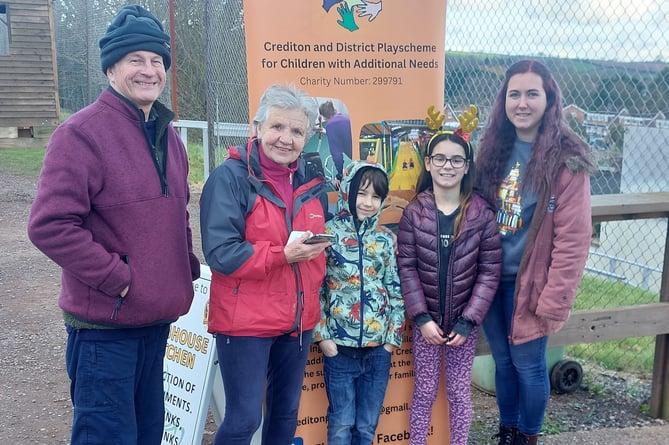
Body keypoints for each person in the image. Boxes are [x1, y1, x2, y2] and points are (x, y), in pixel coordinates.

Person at [27, 5, 201, 444]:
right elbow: (50, 225)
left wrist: (185, 267)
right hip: (105, 332)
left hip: (156, 323)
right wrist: (118, 278)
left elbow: (175, 213)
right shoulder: (81, 134)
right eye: (136, 60)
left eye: (157, 60)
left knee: (146, 436)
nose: (150, 70)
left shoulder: (170, 137)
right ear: (111, 68)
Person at [199, 84, 331, 445]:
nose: (286, 139)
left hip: (297, 319)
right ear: (256, 127)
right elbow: (222, 253)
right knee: (243, 420)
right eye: (277, 127)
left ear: (308, 137)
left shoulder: (313, 181)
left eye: (297, 131)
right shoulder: (230, 179)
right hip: (246, 322)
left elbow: (317, 241)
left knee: (286, 414)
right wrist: (281, 255)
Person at [475, 60, 594, 445]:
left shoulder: (566, 159)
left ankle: (529, 436)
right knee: (503, 363)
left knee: (528, 366)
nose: (522, 103)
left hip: (531, 283)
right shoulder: (493, 148)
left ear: (549, 99)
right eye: (514, 94)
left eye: (531, 94)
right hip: (490, 277)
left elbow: (573, 238)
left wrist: (555, 297)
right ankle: (507, 430)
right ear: (504, 101)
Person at [397, 108, 502, 445]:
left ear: (466, 166)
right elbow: (408, 267)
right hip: (426, 325)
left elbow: (489, 272)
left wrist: (468, 321)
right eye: (440, 158)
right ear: (428, 163)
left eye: (456, 160)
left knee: (459, 392)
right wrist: (422, 317)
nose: (447, 166)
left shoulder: (481, 214)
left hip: (462, 326)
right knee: (424, 391)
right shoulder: (415, 213)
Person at [313, 160, 405, 445]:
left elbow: (395, 290)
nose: (368, 202)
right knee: (341, 425)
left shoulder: (384, 240)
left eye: (376, 196)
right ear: (348, 191)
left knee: (366, 427)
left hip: (378, 352)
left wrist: (391, 339)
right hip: (339, 350)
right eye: (362, 193)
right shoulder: (328, 235)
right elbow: (316, 288)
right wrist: (323, 336)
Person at [319, 100, 353, 184]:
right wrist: (327, 132)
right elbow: (342, 133)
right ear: (334, 110)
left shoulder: (330, 125)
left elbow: (337, 155)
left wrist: (339, 175)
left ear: (324, 117)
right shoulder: (346, 117)